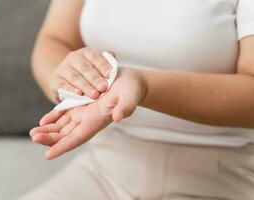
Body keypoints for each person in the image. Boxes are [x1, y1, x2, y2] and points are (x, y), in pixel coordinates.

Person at [19, 0, 254, 199]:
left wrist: (145, 86)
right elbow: (55, 39)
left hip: (218, 177)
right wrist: (71, 81)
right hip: (105, 167)